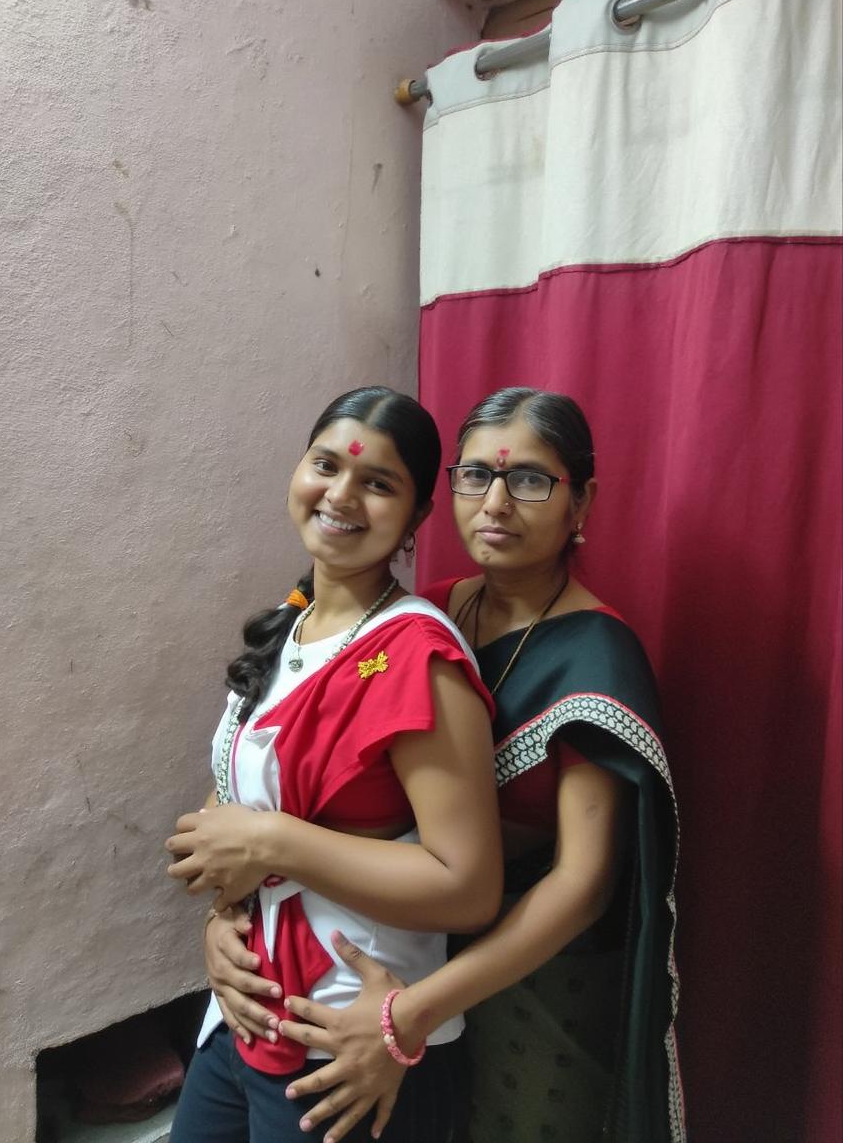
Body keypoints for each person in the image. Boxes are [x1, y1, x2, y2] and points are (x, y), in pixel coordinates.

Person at [204, 388, 684, 1143]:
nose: (495, 503)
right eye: (474, 476)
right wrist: (225, 921)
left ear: (581, 502)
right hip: (390, 946)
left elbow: (583, 886)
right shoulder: (414, 615)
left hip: (531, 979)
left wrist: (409, 1016)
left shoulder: (596, 656)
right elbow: (282, 786)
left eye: (529, 479)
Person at [164, 386, 503, 1143]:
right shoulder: (287, 628)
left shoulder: (417, 656)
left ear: (416, 519)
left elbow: (469, 886)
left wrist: (274, 845)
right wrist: (218, 925)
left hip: (344, 1039)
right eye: (326, 464)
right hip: (241, 1015)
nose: (341, 493)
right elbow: (227, 822)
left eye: (379, 483)